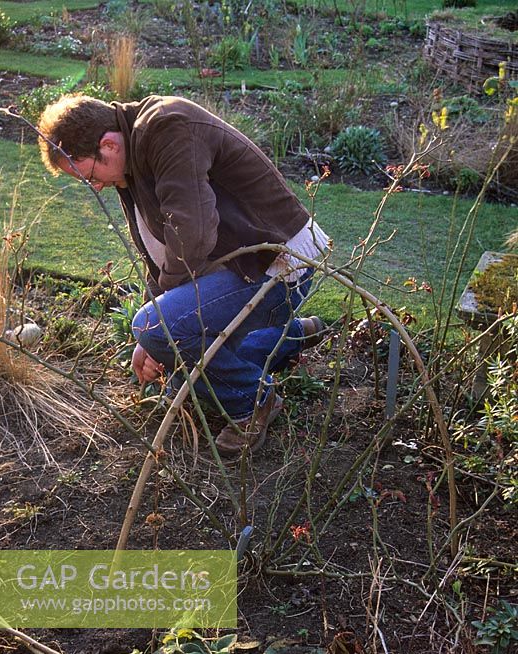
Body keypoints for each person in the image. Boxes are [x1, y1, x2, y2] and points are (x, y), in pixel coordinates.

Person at [37, 94, 328, 455]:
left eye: (91, 176)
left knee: (164, 335)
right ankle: (291, 337)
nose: (95, 187)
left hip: (276, 266)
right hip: (241, 269)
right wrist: (155, 338)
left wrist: (158, 328)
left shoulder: (166, 128)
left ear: (108, 144)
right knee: (180, 373)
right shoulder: (130, 162)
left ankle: (254, 401)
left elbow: (191, 235)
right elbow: (158, 255)